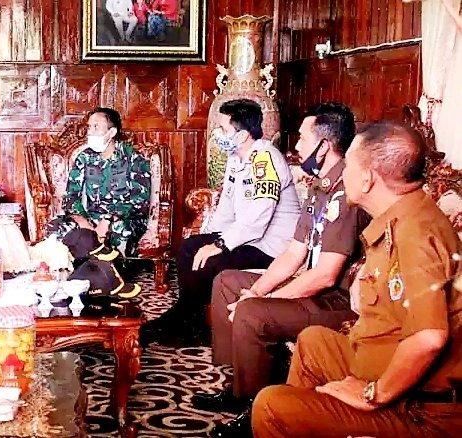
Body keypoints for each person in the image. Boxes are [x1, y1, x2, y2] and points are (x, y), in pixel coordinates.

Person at [252, 121, 462, 437]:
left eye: (349, 164)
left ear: (368, 179)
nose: (342, 173)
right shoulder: (405, 214)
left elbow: (429, 337)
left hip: (420, 408)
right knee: (313, 343)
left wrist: (374, 394)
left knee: (270, 405)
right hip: (386, 364)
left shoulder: (415, 235)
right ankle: (304, 420)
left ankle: (286, 418)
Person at [196, 102, 366, 437]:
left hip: (335, 300)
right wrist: (257, 289)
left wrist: (265, 298)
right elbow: (294, 252)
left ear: (324, 146)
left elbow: (325, 276)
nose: (296, 145)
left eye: (302, 138)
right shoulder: (320, 187)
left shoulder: (346, 192)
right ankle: (238, 386)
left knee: (252, 312)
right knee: (228, 282)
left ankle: (255, 409)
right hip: (310, 282)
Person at [141, 99, 301, 346]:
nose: (218, 134)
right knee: (189, 248)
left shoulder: (265, 159)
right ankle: (189, 320)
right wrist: (208, 238)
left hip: (272, 248)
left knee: (211, 261)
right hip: (250, 240)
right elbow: (226, 208)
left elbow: (258, 217)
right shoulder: (236, 158)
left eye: (224, 129)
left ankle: (186, 323)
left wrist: (219, 245)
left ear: (243, 135)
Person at [44, 107, 151, 257]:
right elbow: (70, 197)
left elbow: (139, 203)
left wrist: (108, 220)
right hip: (91, 218)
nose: (90, 132)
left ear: (111, 132)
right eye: (89, 127)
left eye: (96, 127)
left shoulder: (134, 159)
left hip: (123, 220)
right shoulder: (85, 158)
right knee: (55, 227)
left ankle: (109, 264)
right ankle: (85, 260)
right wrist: (83, 222)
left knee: (120, 230)